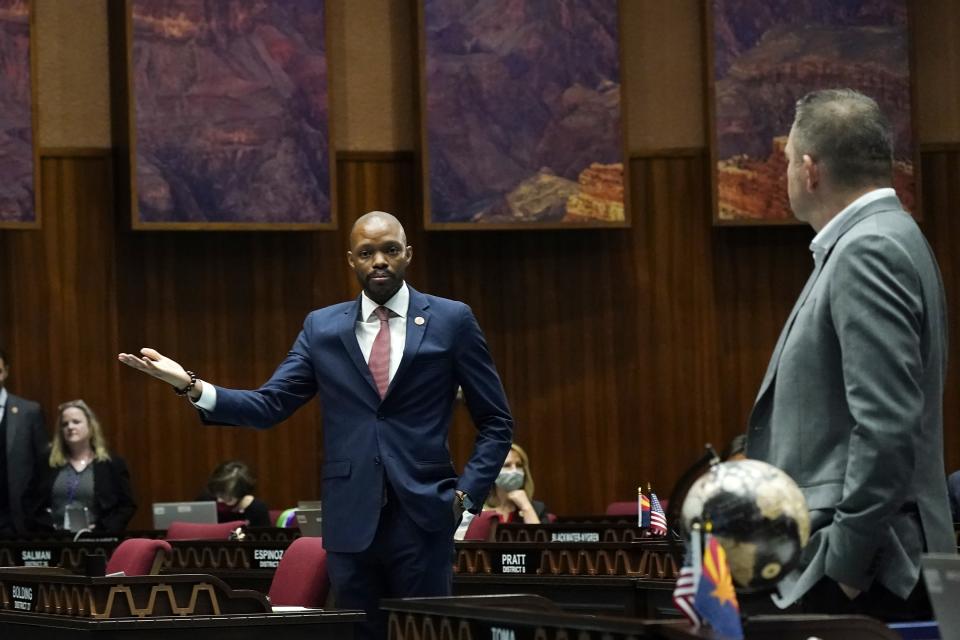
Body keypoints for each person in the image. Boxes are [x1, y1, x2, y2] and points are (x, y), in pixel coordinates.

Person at [118, 210, 513, 640]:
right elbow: (270, 404)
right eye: (367, 252)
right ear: (351, 260)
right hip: (350, 520)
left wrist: (466, 495)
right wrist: (191, 385)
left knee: (428, 634)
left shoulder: (451, 320)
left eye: (390, 250)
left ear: (408, 255)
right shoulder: (322, 328)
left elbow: (495, 420)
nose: (379, 260)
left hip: (425, 515)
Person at [745, 89, 954, 621]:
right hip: (882, 563)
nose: (786, 171)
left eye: (789, 160)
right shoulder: (887, 235)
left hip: (875, 571)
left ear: (810, 170)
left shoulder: (869, 249)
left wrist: (845, 569)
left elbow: (886, 426)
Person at [25, 400, 136, 533]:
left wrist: (103, 529)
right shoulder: (47, 464)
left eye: (76, 422)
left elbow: (126, 506)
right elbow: (29, 502)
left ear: (90, 426)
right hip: (55, 540)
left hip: (98, 540)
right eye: (65, 424)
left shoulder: (111, 464)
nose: (70, 427)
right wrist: (48, 525)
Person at [455, 443, 547, 539]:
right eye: (507, 465)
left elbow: (542, 547)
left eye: (519, 465)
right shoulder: (473, 507)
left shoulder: (537, 509)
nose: (514, 471)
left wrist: (526, 507)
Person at [0, 348, 47, 535]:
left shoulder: (29, 411)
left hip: (19, 516)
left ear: (5, 372)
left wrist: (35, 511)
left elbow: (43, 465)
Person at [198, 460, 271, 527]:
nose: (219, 500)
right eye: (218, 493)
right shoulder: (205, 501)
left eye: (228, 497)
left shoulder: (257, 509)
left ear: (241, 495)